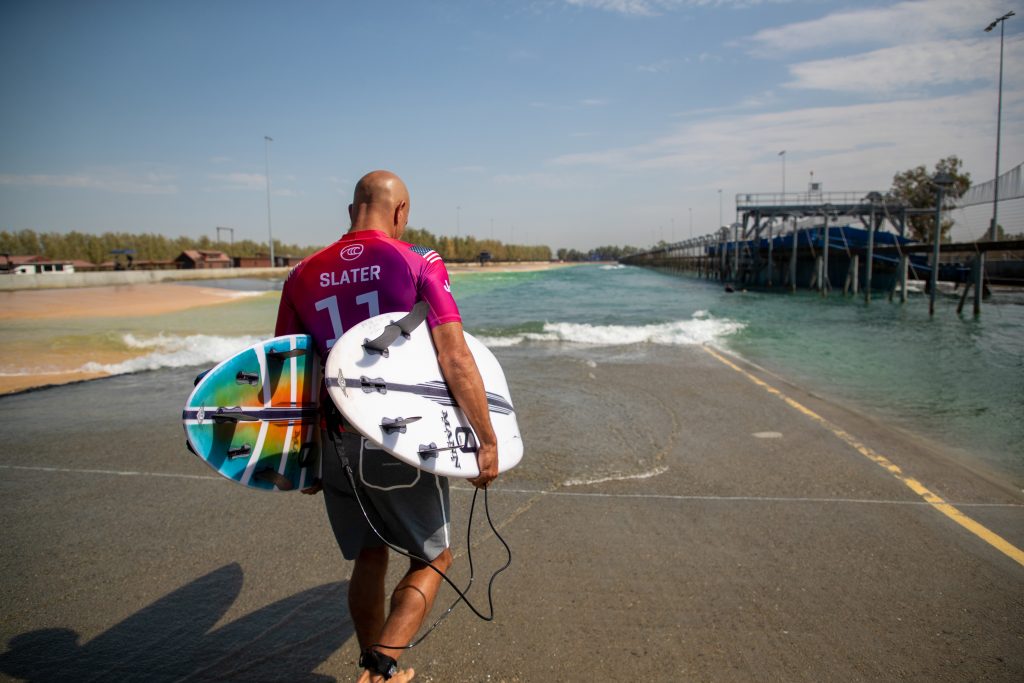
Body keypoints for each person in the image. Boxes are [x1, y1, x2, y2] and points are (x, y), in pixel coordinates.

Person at [275, 170, 499, 682]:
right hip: (397, 434)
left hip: (334, 438)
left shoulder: (303, 274)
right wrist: (486, 439)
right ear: (400, 212)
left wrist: (300, 458)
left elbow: (291, 370)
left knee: (370, 553)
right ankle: (380, 671)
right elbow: (455, 356)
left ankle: (370, 663)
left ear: (351, 210)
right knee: (435, 556)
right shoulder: (417, 261)